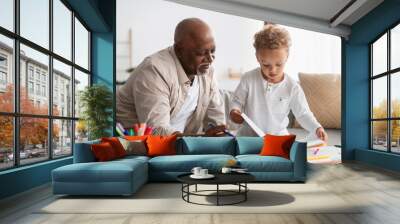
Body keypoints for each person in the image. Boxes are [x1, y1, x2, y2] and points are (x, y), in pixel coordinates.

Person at [117, 18, 226, 136]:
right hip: (133, 146)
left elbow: (217, 123)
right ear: (179, 50)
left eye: (213, 51)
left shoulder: (208, 72)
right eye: (201, 53)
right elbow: (157, 131)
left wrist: (220, 135)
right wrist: (202, 139)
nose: (210, 59)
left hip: (178, 145)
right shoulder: (155, 70)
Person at [229, 24, 328, 141]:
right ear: (257, 57)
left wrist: (317, 128)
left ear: (287, 57)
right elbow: (237, 101)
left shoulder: (292, 87)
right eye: (266, 64)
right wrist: (234, 111)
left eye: (279, 64)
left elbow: (303, 113)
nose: (273, 70)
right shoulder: (249, 78)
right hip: (248, 137)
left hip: (278, 138)